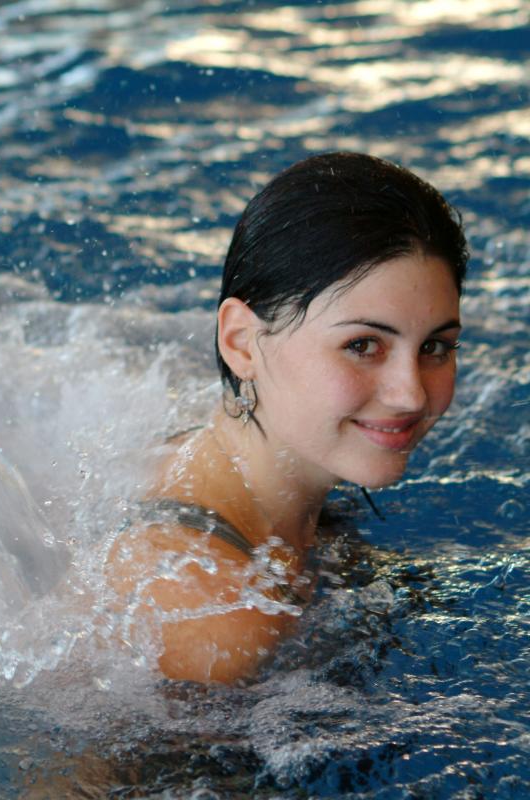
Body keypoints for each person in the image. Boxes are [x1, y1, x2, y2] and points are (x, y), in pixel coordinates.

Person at [104, 152, 469, 684]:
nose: (411, 394)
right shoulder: (213, 621)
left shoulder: (245, 473)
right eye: (362, 345)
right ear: (241, 342)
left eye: (435, 346)